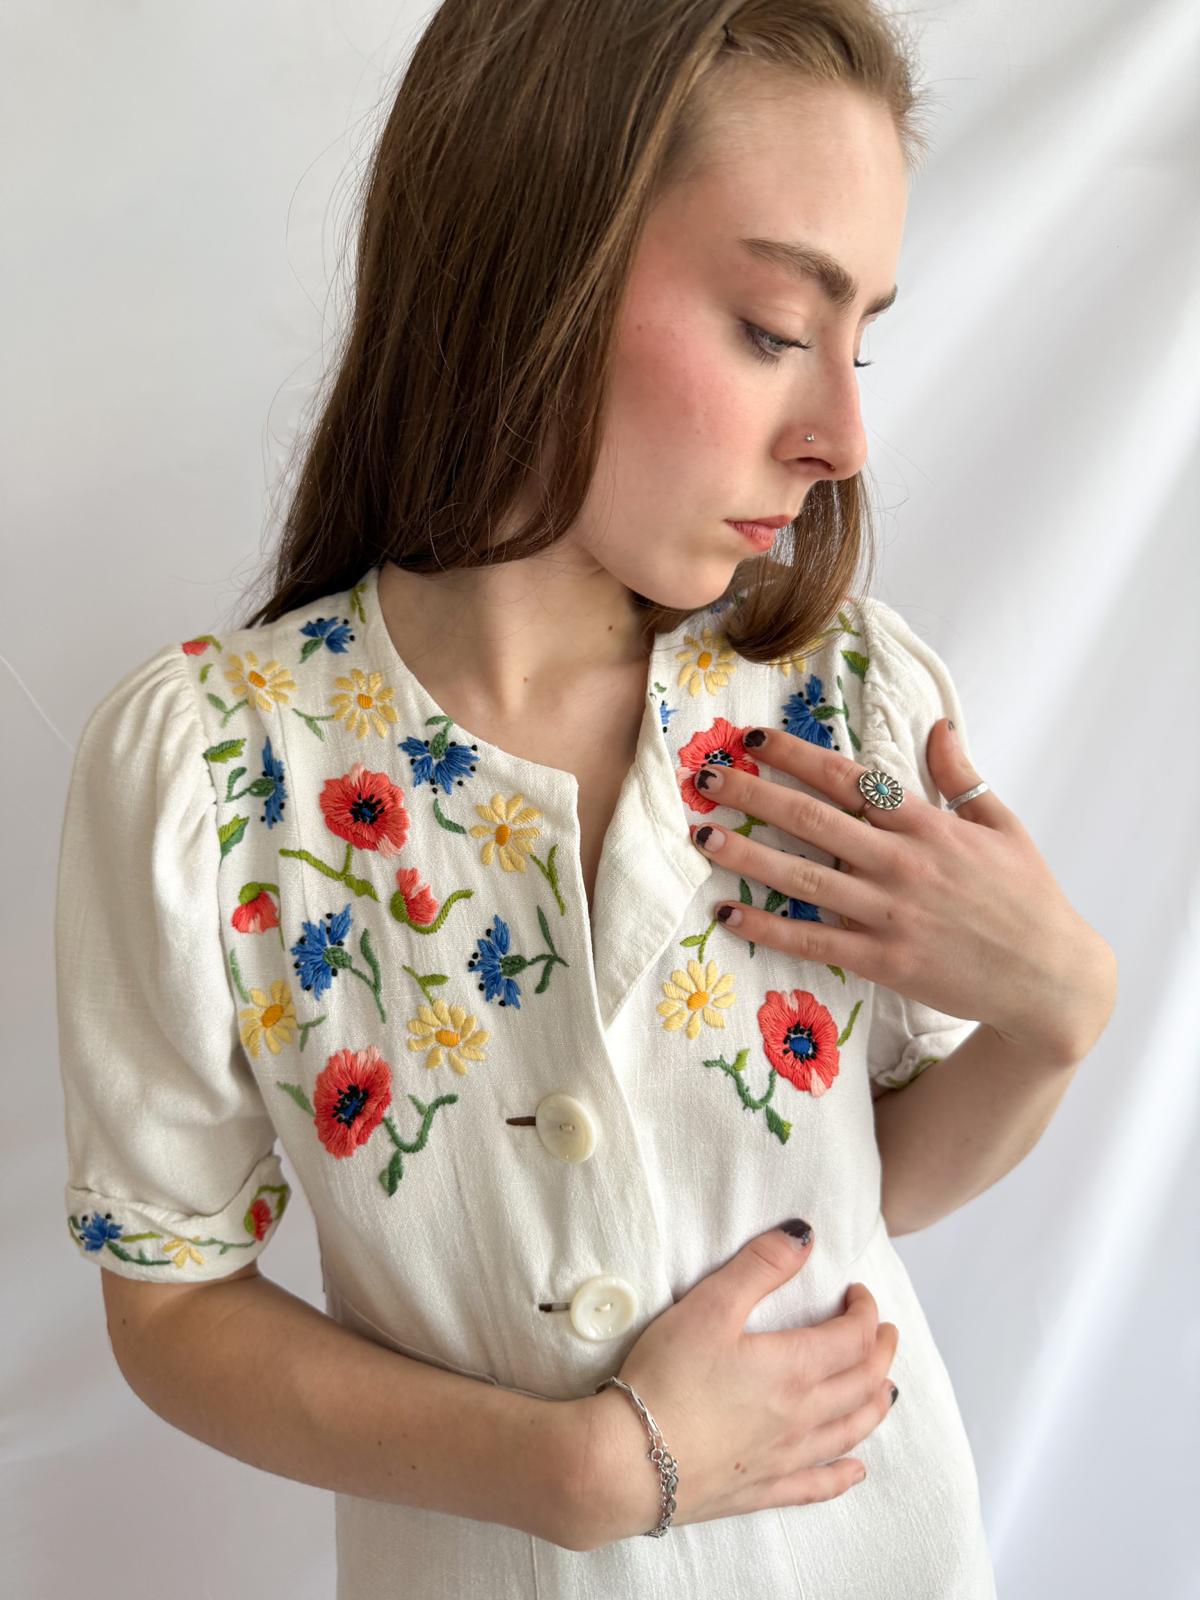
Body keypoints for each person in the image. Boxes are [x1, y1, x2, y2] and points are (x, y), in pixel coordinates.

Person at [54, 4, 1116, 1596]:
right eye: (774, 326)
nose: (841, 437)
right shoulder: (223, 773)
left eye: (862, 341)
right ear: (533, 266)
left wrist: (1056, 1017)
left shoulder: (844, 704)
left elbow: (854, 1189)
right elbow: (172, 1297)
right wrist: (575, 1470)